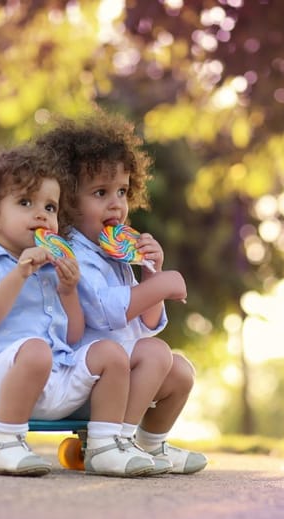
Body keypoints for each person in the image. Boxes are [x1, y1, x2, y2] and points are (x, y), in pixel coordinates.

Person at [0, 143, 158, 478]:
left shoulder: (50, 267)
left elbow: (72, 335)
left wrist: (68, 289)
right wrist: (19, 273)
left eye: (50, 206)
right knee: (35, 351)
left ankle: (104, 447)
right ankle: (6, 443)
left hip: (55, 376)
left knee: (109, 352)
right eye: (25, 203)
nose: (41, 214)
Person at [36, 112, 208, 474]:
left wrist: (150, 273)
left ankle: (150, 444)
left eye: (123, 192)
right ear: (66, 201)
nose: (117, 204)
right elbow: (106, 311)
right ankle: (110, 442)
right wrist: (164, 284)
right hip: (91, 376)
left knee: (180, 371)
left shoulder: (114, 254)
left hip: (126, 371)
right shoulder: (72, 253)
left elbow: (147, 322)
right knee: (157, 354)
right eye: (101, 193)